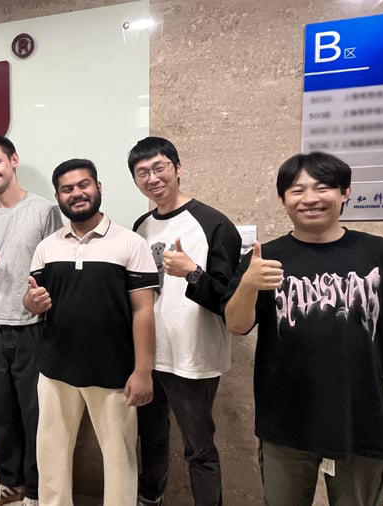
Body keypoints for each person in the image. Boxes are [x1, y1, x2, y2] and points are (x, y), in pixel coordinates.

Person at [223, 152, 383, 506]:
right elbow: (236, 326)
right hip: (284, 421)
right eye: (297, 190)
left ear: (345, 192)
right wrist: (249, 284)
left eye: (322, 187)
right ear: (282, 199)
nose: (310, 198)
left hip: (360, 420)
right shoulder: (263, 258)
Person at [23, 158, 157, 506]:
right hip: (55, 370)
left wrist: (143, 371)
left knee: (120, 459)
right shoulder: (47, 246)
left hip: (114, 372)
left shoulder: (130, 243)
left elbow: (144, 311)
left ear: (98, 187)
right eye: (67, 189)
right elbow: (32, 300)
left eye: (83, 185)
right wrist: (32, 302)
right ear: (58, 197)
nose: (76, 193)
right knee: (50, 457)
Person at [128, 137, 242, 506]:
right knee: (151, 438)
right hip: (149, 354)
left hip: (193, 356)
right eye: (142, 172)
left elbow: (230, 302)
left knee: (199, 447)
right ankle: (151, 498)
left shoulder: (213, 224)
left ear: (177, 168)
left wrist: (192, 272)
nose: (152, 178)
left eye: (159, 167)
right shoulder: (141, 226)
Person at [0, 135, 62, 506]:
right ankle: (10, 482)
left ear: (14, 161)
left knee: (35, 414)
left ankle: (36, 491)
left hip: (32, 328)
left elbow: (56, 267)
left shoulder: (44, 211)